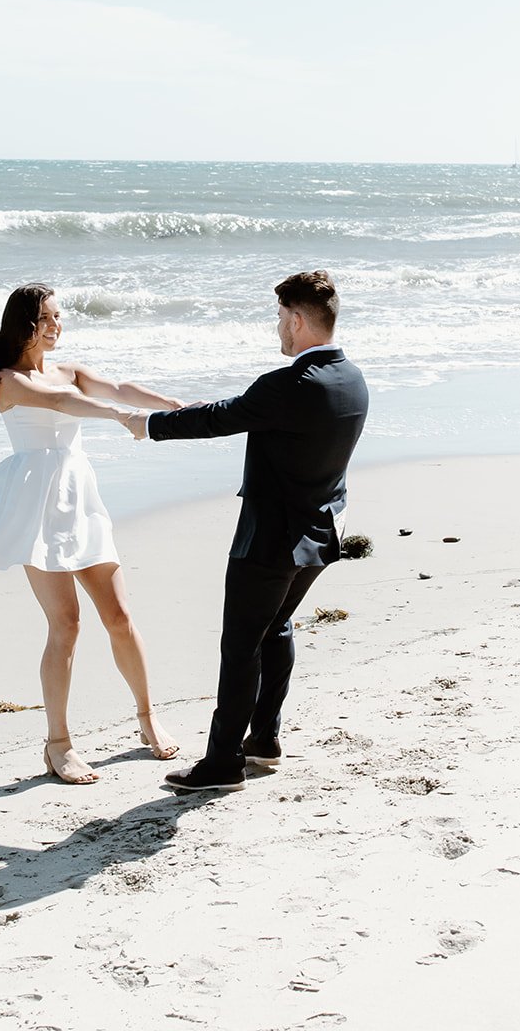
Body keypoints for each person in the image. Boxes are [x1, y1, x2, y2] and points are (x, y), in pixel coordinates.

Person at [125, 270, 369, 792]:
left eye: (281, 319)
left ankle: (222, 763)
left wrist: (147, 424)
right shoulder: (351, 377)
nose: (277, 329)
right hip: (324, 528)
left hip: (272, 538)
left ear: (299, 321)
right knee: (275, 628)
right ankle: (264, 739)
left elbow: (223, 417)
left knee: (240, 646)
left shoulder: (288, 385)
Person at [0, 283, 181, 784]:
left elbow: (118, 389)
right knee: (67, 624)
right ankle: (58, 745)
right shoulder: (7, 379)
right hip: (36, 506)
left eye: (59, 317)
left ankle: (147, 718)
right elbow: (62, 404)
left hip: (80, 500)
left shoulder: (69, 370)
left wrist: (175, 405)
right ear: (26, 324)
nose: (58, 325)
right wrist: (122, 418)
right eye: (49, 318)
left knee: (119, 616)